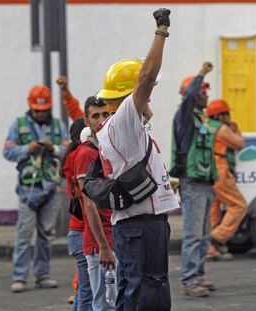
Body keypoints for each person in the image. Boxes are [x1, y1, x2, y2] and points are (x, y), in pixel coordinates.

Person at [92, 8, 179, 311]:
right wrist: (162, 31)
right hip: (142, 224)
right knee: (148, 293)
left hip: (134, 225)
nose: (151, 94)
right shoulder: (124, 120)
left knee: (133, 291)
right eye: (148, 92)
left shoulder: (119, 126)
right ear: (130, 95)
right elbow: (147, 77)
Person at [3, 84, 69, 293]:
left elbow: (68, 151)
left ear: (49, 108)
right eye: (36, 110)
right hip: (28, 190)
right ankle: (20, 277)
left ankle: (42, 275)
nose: (40, 114)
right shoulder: (19, 125)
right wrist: (27, 149)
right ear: (31, 107)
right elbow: (8, 151)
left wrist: (53, 148)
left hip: (51, 190)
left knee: (46, 235)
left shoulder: (58, 126)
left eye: (44, 110)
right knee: (24, 236)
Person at [170, 61, 220, 297]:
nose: (206, 96)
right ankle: (189, 280)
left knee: (203, 234)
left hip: (204, 183)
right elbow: (189, 96)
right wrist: (201, 73)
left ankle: (198, 276)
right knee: (193, 235)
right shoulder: (185, 118)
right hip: (192, 183)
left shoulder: (200, 119)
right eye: (202, 93)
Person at [75, 96, 114, 311]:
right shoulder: (87, 154)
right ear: (86, 121)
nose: (101, 120)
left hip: (114, 233)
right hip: (100, 242)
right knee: (104, 305)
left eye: (105, 114)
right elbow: (89, 205)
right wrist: (103, 246)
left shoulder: (106, 147)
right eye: (95, 116)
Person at [205, 99, 247, 260]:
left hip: (208, 170)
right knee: (239, 205)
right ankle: (216, 237)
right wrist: (235, 130)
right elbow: (239, 144)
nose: (229, 117)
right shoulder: (222, 129)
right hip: (220, 169)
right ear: (221, 116)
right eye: (227, 114)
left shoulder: (206, 126)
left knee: (213, 210)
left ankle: (210, 249)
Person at [62, 117, 93, 311]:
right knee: (86, 292)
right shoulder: (81, 156)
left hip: (76, 230)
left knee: (84, 288)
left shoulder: (71, 156)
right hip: (81, 230)